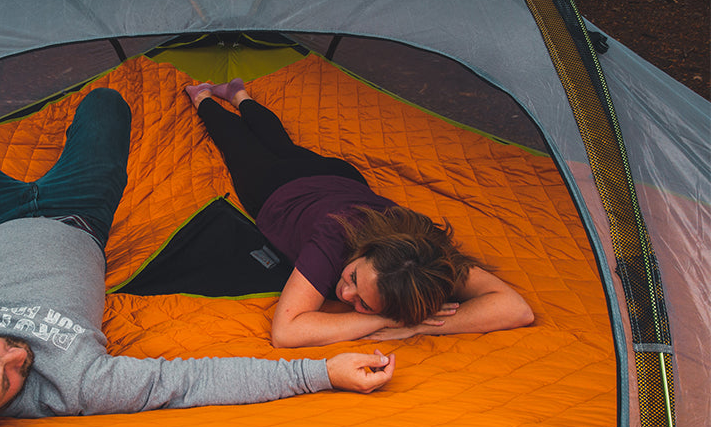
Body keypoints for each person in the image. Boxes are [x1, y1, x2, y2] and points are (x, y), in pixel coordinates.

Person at [0, 87, 396, 427]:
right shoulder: (74, 385)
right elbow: (190, 382)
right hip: (78, 214)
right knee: (109, 107)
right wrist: (322, 373)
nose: (15, 354)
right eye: (7, 383)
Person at [185, 79, 534, 349]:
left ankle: (240, 95)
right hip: (279, 188)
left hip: (341, 177)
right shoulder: (333, 236)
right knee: (239, 146)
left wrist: (413, 324)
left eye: (365, 304)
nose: (345, 292)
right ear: (363, 251)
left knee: (282, 145)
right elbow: (286, 332)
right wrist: (385, 322)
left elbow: (516, 309)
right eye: (353, 277)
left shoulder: (425, 258)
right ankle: (201, 96)